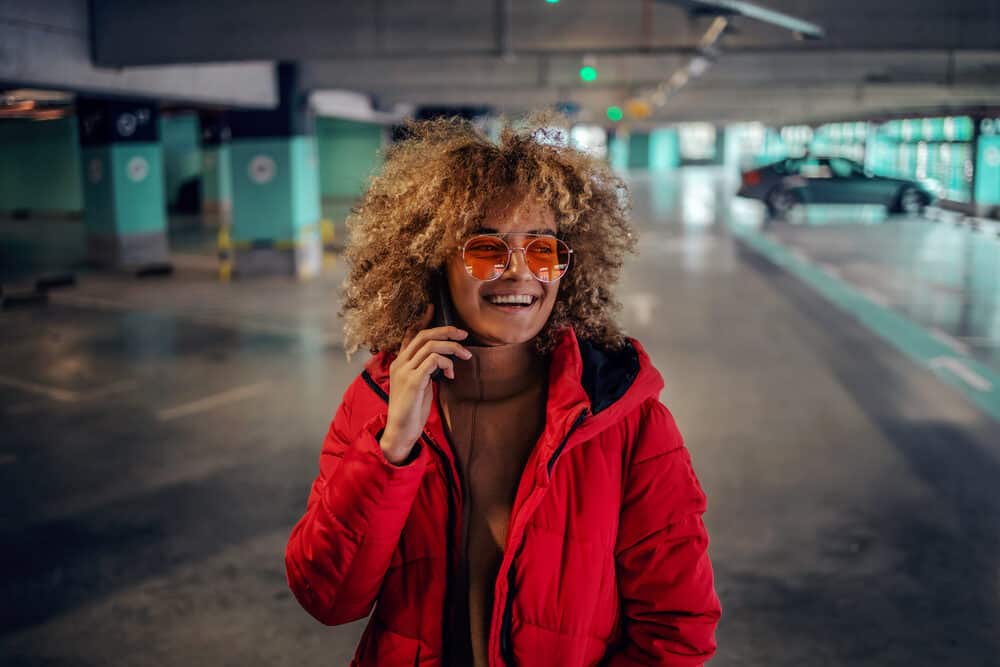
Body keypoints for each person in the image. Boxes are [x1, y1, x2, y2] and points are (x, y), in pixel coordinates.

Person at [285, 116, 721, 666]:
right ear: (432, 263)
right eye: (487, 250)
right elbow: (327, 597)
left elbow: (677, 630)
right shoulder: (375, 406)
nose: (520, 274)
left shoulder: (626, 423)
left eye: (542, 250)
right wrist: (392, 448)